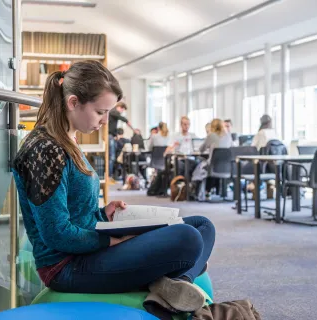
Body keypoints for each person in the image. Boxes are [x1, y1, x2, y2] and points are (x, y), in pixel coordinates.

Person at [11, 61, 215, 313]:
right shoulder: (45, 149)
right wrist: (111, 240)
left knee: (202, 225)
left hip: (88, 248)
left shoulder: (66, 139)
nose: (106, 121)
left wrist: (102, 214)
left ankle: (175, 286)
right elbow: (57, 234)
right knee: (188, 238)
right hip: (67, 266)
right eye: (100, 112)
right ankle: (173, 281)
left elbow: (74, 212)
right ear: (73, 102)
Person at [108, 101, 132, 179]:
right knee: (112, 157)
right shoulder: (113, 111)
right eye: (122, 110)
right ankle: (109, 176)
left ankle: (112, 175)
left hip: (112, 136)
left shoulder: (113, 112)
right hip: (109, 136)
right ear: (120, 107)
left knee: (113, 156)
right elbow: (120, 117)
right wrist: (127, 121)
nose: (122, 112)